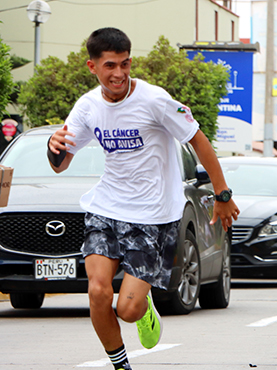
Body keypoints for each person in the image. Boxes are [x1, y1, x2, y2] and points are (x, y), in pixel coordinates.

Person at [46, 28, 240, 370]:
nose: (118, 74)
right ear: (92, 67)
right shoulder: (88, 106)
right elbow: (61, 164)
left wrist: (222, 194)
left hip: (153, 215)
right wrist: (54, 148)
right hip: (105, 208)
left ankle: (143, 304)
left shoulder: (154, 100)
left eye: (124, 64)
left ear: (130, 61)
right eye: (109, 66)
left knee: (127, 309)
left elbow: (198, 139)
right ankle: (122, 366)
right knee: (97, 292)